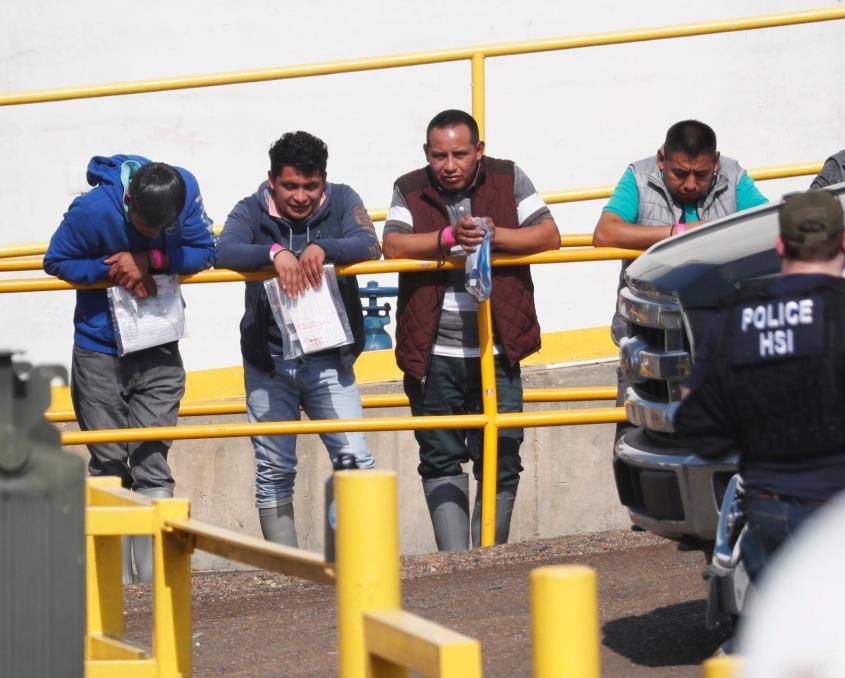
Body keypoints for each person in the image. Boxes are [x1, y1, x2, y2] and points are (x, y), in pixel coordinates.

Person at [674, 190, 845, 583]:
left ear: (781, 245)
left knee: (790, 624)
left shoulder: (738, 314)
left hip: (767, 505)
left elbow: (694, 407)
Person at [382, 109, 560, 551]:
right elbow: (393, 245)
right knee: (439, 457)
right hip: (432, 353)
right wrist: (447, 239)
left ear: (479, 150)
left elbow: (549, 235)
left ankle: (490, 560)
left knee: (501, 458)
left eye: (460, 153)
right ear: (427, 154)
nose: (450, 165)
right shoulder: (410, 187)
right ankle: (454, 566)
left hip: (498, 351)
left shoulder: (508, 177)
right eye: (440, 155)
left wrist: (494, 235)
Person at [43, 155, 216, 581]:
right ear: (128, 203)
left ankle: (156, 584)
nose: (156, 234)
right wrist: (112, 268)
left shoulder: (185, 188)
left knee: (152, 461)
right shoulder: (92, 210)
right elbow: (57, 260)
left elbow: (205, 251)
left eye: (164, 228)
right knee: (107, 462)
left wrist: (150, 258)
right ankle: (113, 587)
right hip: (99, 349)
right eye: (145, 227)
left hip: (157, 341)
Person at [215, 131, 379, 548]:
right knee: (274, 470)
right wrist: (274, 252)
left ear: (324, 180)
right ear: (271, 180)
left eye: (311, 186)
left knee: (355, 460)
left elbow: (368, 244)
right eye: (290, 185)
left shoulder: (342, 199)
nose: (301, 196)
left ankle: (359, 564)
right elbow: (224, 250)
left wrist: (323, 247)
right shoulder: (249, 208)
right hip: (269, 362)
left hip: (330, 360)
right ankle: (287, 582)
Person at [592, 119, 768, 344]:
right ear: (661, 159)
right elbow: (604, 233)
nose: (691, 184)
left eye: (701, 174)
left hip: (723, 323)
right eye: (681, 173)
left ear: (716, 162)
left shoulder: (733, 176)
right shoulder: (638, 176)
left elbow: (767, 226)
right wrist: (679, 232)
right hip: (650, 326)